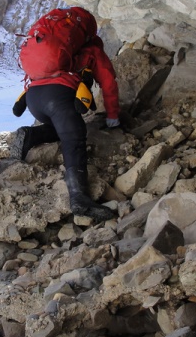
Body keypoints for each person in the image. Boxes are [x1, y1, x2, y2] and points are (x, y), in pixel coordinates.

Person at [10, 13, 120, 222]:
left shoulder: (58, 47)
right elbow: (108, 83)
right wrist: (113, 117)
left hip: (34, 97)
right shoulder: (91, 49)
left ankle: (31, 135)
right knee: (74, 140)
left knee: (61, 128)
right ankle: (79, 198)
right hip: (59, 98)